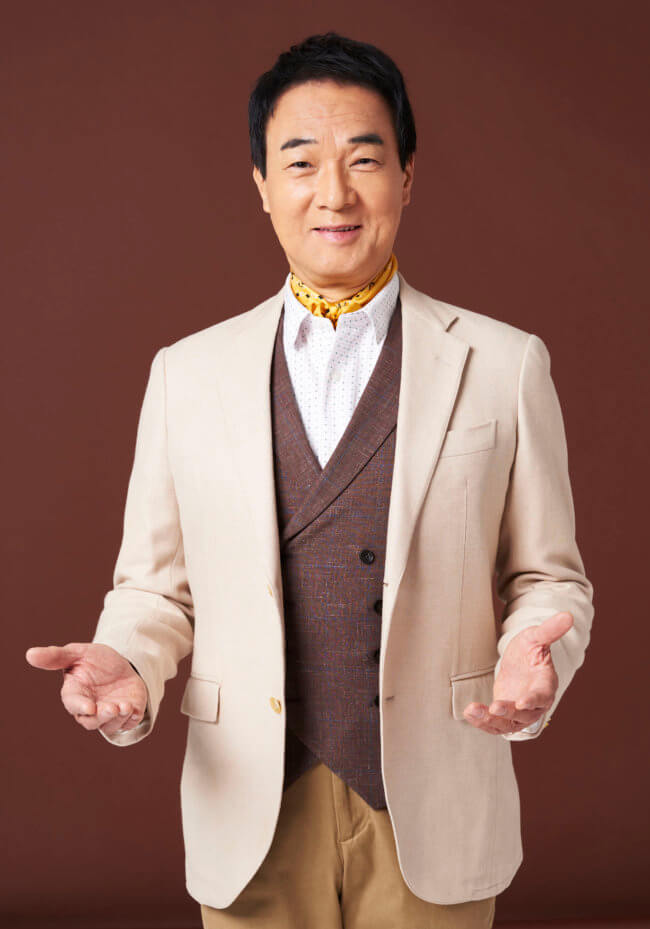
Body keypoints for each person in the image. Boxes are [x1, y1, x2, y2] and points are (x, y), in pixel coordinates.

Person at [25, 31, 594, 929]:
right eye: (300, 162)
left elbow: (548, 577)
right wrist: (127, 660)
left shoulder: (503, 363)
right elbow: (153, 588)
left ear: (407, 176)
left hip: (435, 799)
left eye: (364, 159)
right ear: (261, 184)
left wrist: (538, 654)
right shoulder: (187, 373)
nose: (334, 192)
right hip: (249, 801)